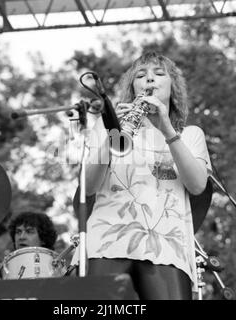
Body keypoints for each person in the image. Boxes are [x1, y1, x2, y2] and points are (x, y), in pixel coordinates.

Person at [82, 51, 212, 300]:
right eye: (141, 75)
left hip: (166, 245)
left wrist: (167, 129)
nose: (149, 79)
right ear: (133, 88)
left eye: (159, 74)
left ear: (172, 87)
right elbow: (88, 187)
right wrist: (111, 134)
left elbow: (197, 186)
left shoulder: (191, 134)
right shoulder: (108, 125)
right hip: (108, 240)